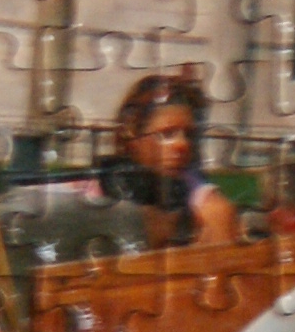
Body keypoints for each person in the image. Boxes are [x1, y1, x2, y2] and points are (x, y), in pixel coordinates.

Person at [96, 70, 238, 248]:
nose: (182, 145)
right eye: (167, 134)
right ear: (132, 137)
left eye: (189, 135)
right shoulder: (94, 192)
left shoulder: (209, 209)